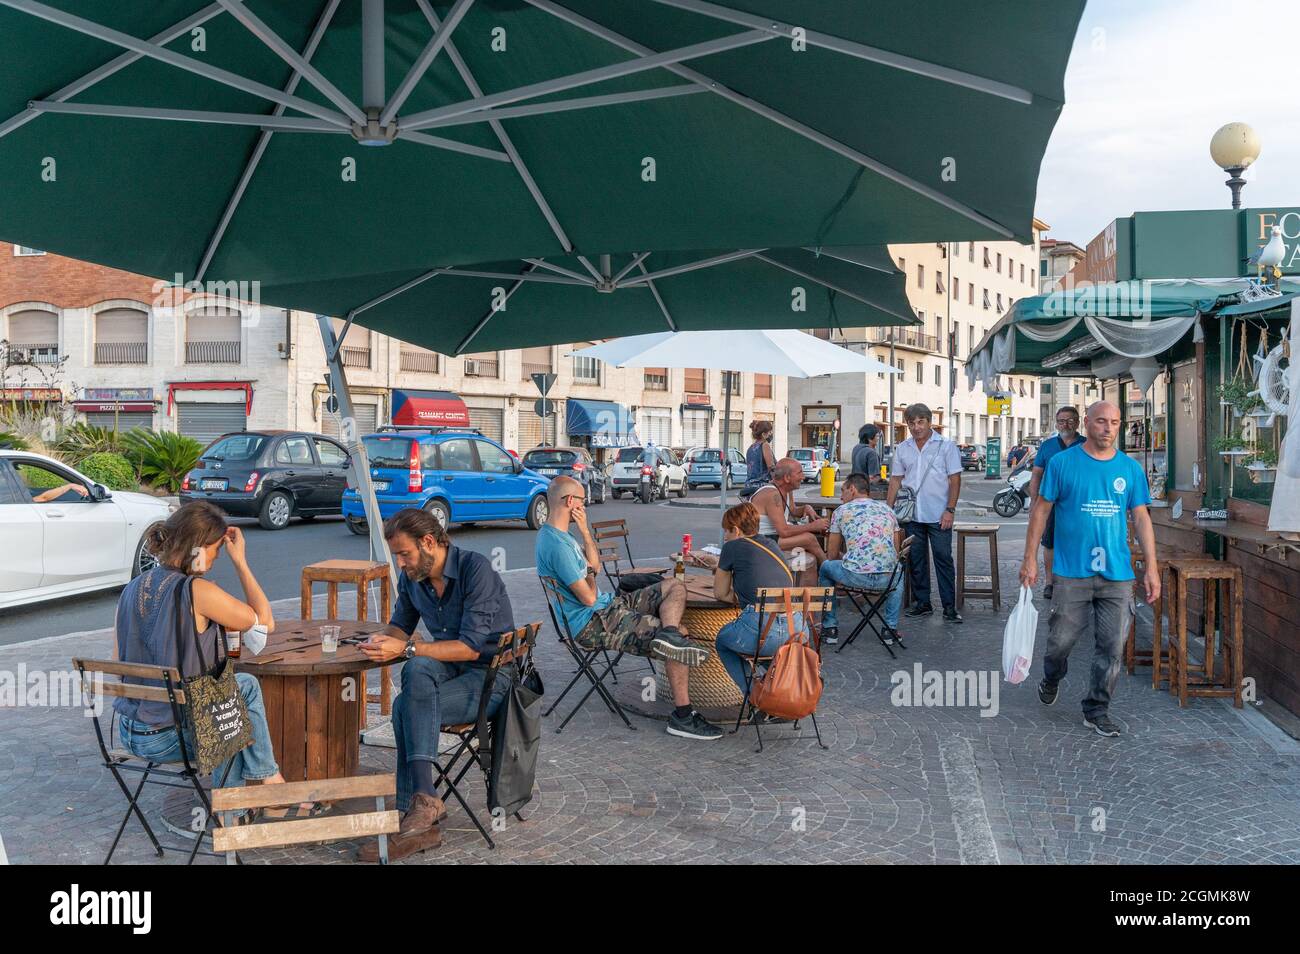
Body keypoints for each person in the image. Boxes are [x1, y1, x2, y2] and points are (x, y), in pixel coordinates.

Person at [113, 502, 293, 817]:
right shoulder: (196, 590)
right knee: (235, 708)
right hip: (168, 738)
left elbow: (117, 663)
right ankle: (247, 802)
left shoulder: (131, 589)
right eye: (215, 550)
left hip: (130, 731)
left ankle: (264, 784)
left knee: (229, 708)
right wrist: (241, 562)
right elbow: (266, 622)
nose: (216, 557)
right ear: (199, 546)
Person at [357, 508, 516, 861]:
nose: (400, 563)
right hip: (448, 674)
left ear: (429, 542)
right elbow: (400, 626)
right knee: (416, 674)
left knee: (405, 701)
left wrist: (408, 647)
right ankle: (423, 806)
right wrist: (378, 642)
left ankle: (415, 811)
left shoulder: (476, 570)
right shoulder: (415, 578)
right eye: (397, 555)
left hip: (491, 678)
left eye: (404, 554)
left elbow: (470, 648)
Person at [536, 476, 722, 741]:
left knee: (673, 586)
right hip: (593, 622)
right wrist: (590, 572)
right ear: (569, 502)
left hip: (607, 606)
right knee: (681, 633)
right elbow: (589, 597)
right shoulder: (557, 546)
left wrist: (586, 532)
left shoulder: (560, 536)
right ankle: (683, 716)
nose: (585, 505)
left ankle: (667, 635)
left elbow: (596, 567)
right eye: (582, 501)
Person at [1020, 401, 1160, 738]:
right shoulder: (1062, 463)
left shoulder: (1129, 469)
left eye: (1114, 422)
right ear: (1087, 423)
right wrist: (1030, 559)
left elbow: (1141, 517)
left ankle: (1096, 709)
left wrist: (1151, 567)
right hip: (1072, 572)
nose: (1107, 428)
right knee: (1060, 642)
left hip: (1117, 574)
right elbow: (1041, 510)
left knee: (1112, 647)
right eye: (1100, 421)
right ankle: (1052, 675)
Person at [689, 502, 809, 699]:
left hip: (764, 632)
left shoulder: (732, 546)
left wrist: (738, 593)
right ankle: (776, 689)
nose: (725, 536)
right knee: (766, 652)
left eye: (726, 531)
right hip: (796, 631)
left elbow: (720, 594)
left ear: (736, 530)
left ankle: (757, 696)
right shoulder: (771, 544)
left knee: (723, 641)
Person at [887, 403, 963, 623]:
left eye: (921, 422)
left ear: (930, 422)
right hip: (912, 515)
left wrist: (950, 509)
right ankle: (923, 604)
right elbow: (895, 480)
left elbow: (955, 480)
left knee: (943, 559)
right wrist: (887, 510)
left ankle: (949, 607)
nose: (916, 427)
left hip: (940, 514)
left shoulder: (946, 446)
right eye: (911, 423)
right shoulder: (903, 448)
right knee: (916, 561)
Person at [817, 473, 904, 645]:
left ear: (852, 489)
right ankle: (889, 629)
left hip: (855, 576)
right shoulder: (888, 510)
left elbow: (832, 554)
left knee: (826, 567)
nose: (841, 496)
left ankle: (830, 627)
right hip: (887, 580)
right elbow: (896, 550)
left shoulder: (841, 511)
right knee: (898, 571)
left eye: (842, 491)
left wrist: (846, 560)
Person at [1027, 406, 1084, 600]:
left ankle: (1077, 579)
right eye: (1061, 421)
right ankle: (1049, 582)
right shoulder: (1048, 446)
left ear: (1077, 422)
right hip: (1049, 503)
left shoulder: (1086, 444)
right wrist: (1034, 502)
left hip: (1078, 504)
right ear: (1056, 423)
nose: (1065, 424)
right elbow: (1036, 475)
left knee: (1078, 540)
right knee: (1049, 542)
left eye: (1070, 420)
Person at [750, 458, 829, 570]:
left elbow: (792, 510)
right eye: (800, 473)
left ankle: (823, 571)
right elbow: (784, 531)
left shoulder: (786, 490)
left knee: (810, 552)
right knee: (809, 538)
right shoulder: (772, 495)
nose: (803, 477)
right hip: (758, 540)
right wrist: (813, 526)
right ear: (787, 478)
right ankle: (830, 570)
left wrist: (806, 508)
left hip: (771, 537)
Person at [743, 419, 777, 496]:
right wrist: (777, 479)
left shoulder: (751, 448)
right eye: (770, 432)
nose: (771, 434)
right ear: (763, 434)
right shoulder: (765, 445)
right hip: (762, 487)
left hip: (749, 486)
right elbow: (771, 467)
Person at [850, 424, 883, 490]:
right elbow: (873, 478)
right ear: (870, 439)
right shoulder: (871, 453)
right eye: (877, 436)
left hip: (855, 488)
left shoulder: (856, 448)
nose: (878, 439)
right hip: (866, 491)